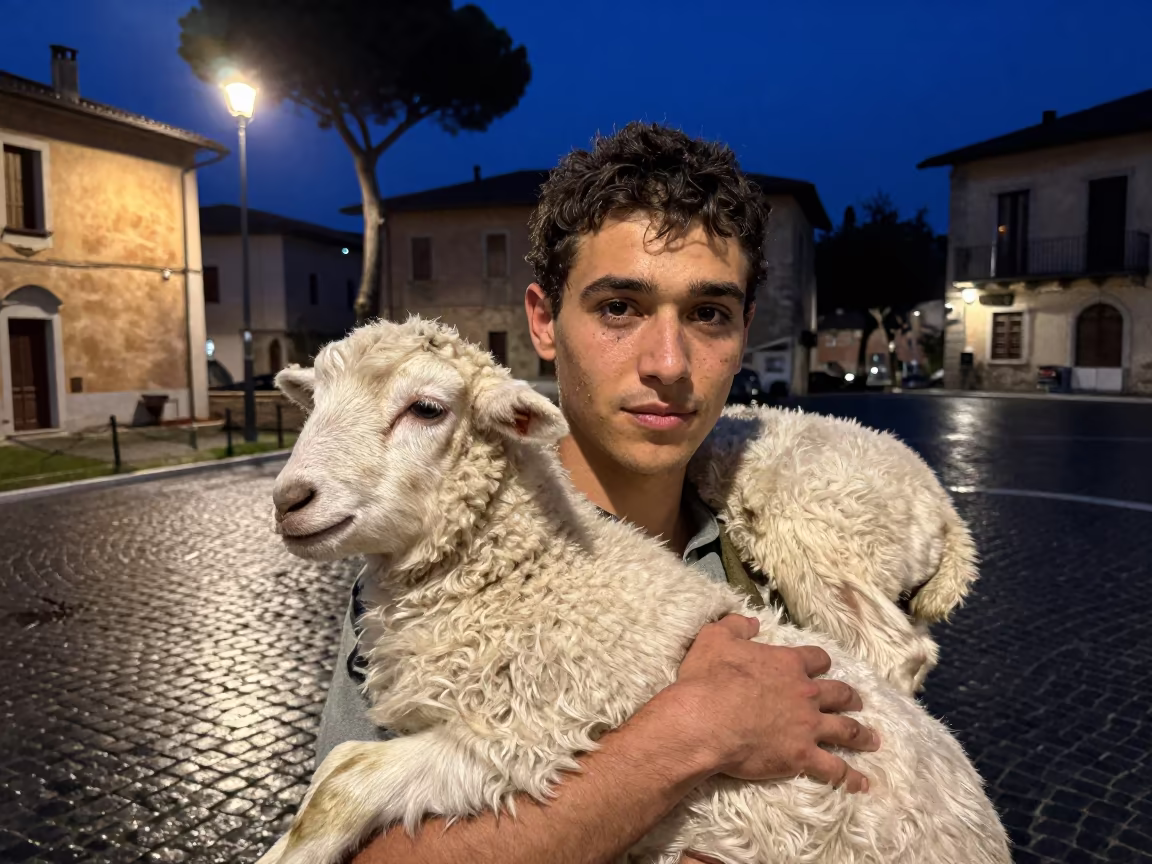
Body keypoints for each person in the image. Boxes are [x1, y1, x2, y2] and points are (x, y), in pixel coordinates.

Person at [314, 122, 881, 864]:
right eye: (620, 307)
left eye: (708, 314)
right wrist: (692, 732)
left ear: (743, 329)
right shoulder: (437, 570)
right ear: (545, 322)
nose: (669, 362)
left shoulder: (792, 551)